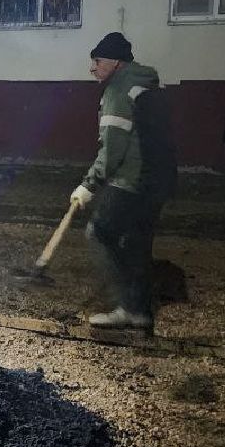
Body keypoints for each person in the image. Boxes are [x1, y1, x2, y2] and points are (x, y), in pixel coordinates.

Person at [69, 32, 177, 331]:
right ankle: (140, 310)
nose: (92, 68)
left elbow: (112, 150)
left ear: (115, 62)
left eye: (97, 61)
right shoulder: (146, 86)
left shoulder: (119, 90)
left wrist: (88, 186)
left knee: (100, 232)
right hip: (158, 180)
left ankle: (128, 306)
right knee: (137, 243)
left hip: (133, 180)